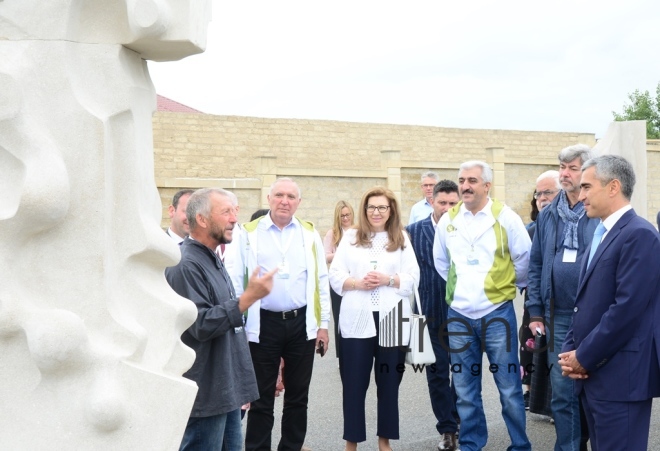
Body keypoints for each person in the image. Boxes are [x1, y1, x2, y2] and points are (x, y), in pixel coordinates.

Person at [559, 155, 660, 450]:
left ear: (613, 187)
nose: (581, 195)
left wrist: (584, 357)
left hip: (621, 380)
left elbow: (626, 310)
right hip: (594, 375)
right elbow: (583, 303)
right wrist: (570, 354)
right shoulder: (602, 234)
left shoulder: (640, 235)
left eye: (588, 186)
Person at [165, 188, 277, 451]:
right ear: (202, 219)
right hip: (206, 394)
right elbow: (200, 324)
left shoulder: (211, 258)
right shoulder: (186, 264)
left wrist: (239, 383)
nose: (234, 219)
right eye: (226, 212)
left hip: (224, 390)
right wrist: (247, 300)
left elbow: (228, 327)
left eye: (234, 212)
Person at [433, 160, 531, 451]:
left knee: (510, 387)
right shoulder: (448, 220)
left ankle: (520, 445)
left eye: (472, 180)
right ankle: (472, 444)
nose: (465, 185)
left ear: (487, 186)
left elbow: (523, 259)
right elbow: (442, 263)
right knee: (464, 390)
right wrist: (464, 288)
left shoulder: (506, 217)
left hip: (496, 312)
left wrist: (500, 288)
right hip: (460, 314)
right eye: (462, 180)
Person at [230, 177, 331, 451]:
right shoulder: (248, 233)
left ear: (298, 202)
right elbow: (235, 280)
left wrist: (323, 325)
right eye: (279, 195)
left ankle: (291, 447)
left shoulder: (308, 234)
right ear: (269, 199)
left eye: (291, 196)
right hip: (264, 324)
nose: (284, 201)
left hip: (301, 324)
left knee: (298, 397)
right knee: (261, 397)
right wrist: (239, 322)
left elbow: (321, 280)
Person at [329, 186, 420, 451]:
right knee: (354, 384)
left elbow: (413, 277)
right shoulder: (351, 237)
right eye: (371, 207)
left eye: (382, 207)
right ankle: (352, 441)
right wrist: (357, 283)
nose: (376, 212)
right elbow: (335, 274)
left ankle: (385, 440)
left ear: (391, 210)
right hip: (357, 318)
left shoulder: (401, 237)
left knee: (389, 383)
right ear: (364, 209)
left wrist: (388, 279)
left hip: (393, 319)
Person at [526, 146, 598, 451]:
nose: (564, 173)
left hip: (595, 313)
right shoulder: (550, 213)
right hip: (558, 314)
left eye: (572, 167)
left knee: (595, 387)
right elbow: (537, 262)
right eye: (562, 167)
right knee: (562, 390)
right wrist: (535, 311)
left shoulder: (598, 211)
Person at [406, 180, 459, 451]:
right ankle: (448, 430)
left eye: (453, 203)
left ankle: (457, 418)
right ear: (432, 202)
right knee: (437, 374)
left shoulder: (466, 229)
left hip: (463, 313)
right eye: (443, 203)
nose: (448, 208)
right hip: (426, 313)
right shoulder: (413, 232)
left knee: (462, 373)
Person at [520, 170, 560, 410]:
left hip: (559, 300)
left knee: (556, 350)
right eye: (539, 194)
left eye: (548, 192)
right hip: (533, 299)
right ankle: (530, 390)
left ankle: (555, 400)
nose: (542, 198)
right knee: (530, 345)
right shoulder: (531, 229)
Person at [323, 200, 356, 364]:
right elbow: (325, 256)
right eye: (342, 216)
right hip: (338, 281)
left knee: (357, 315)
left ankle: (357, 351)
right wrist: (341, 254)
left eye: (348, 215)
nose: (345, 218)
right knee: (340, 317)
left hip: (356, 280)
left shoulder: (359, 231)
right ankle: (342, 354)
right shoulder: (333, 233)